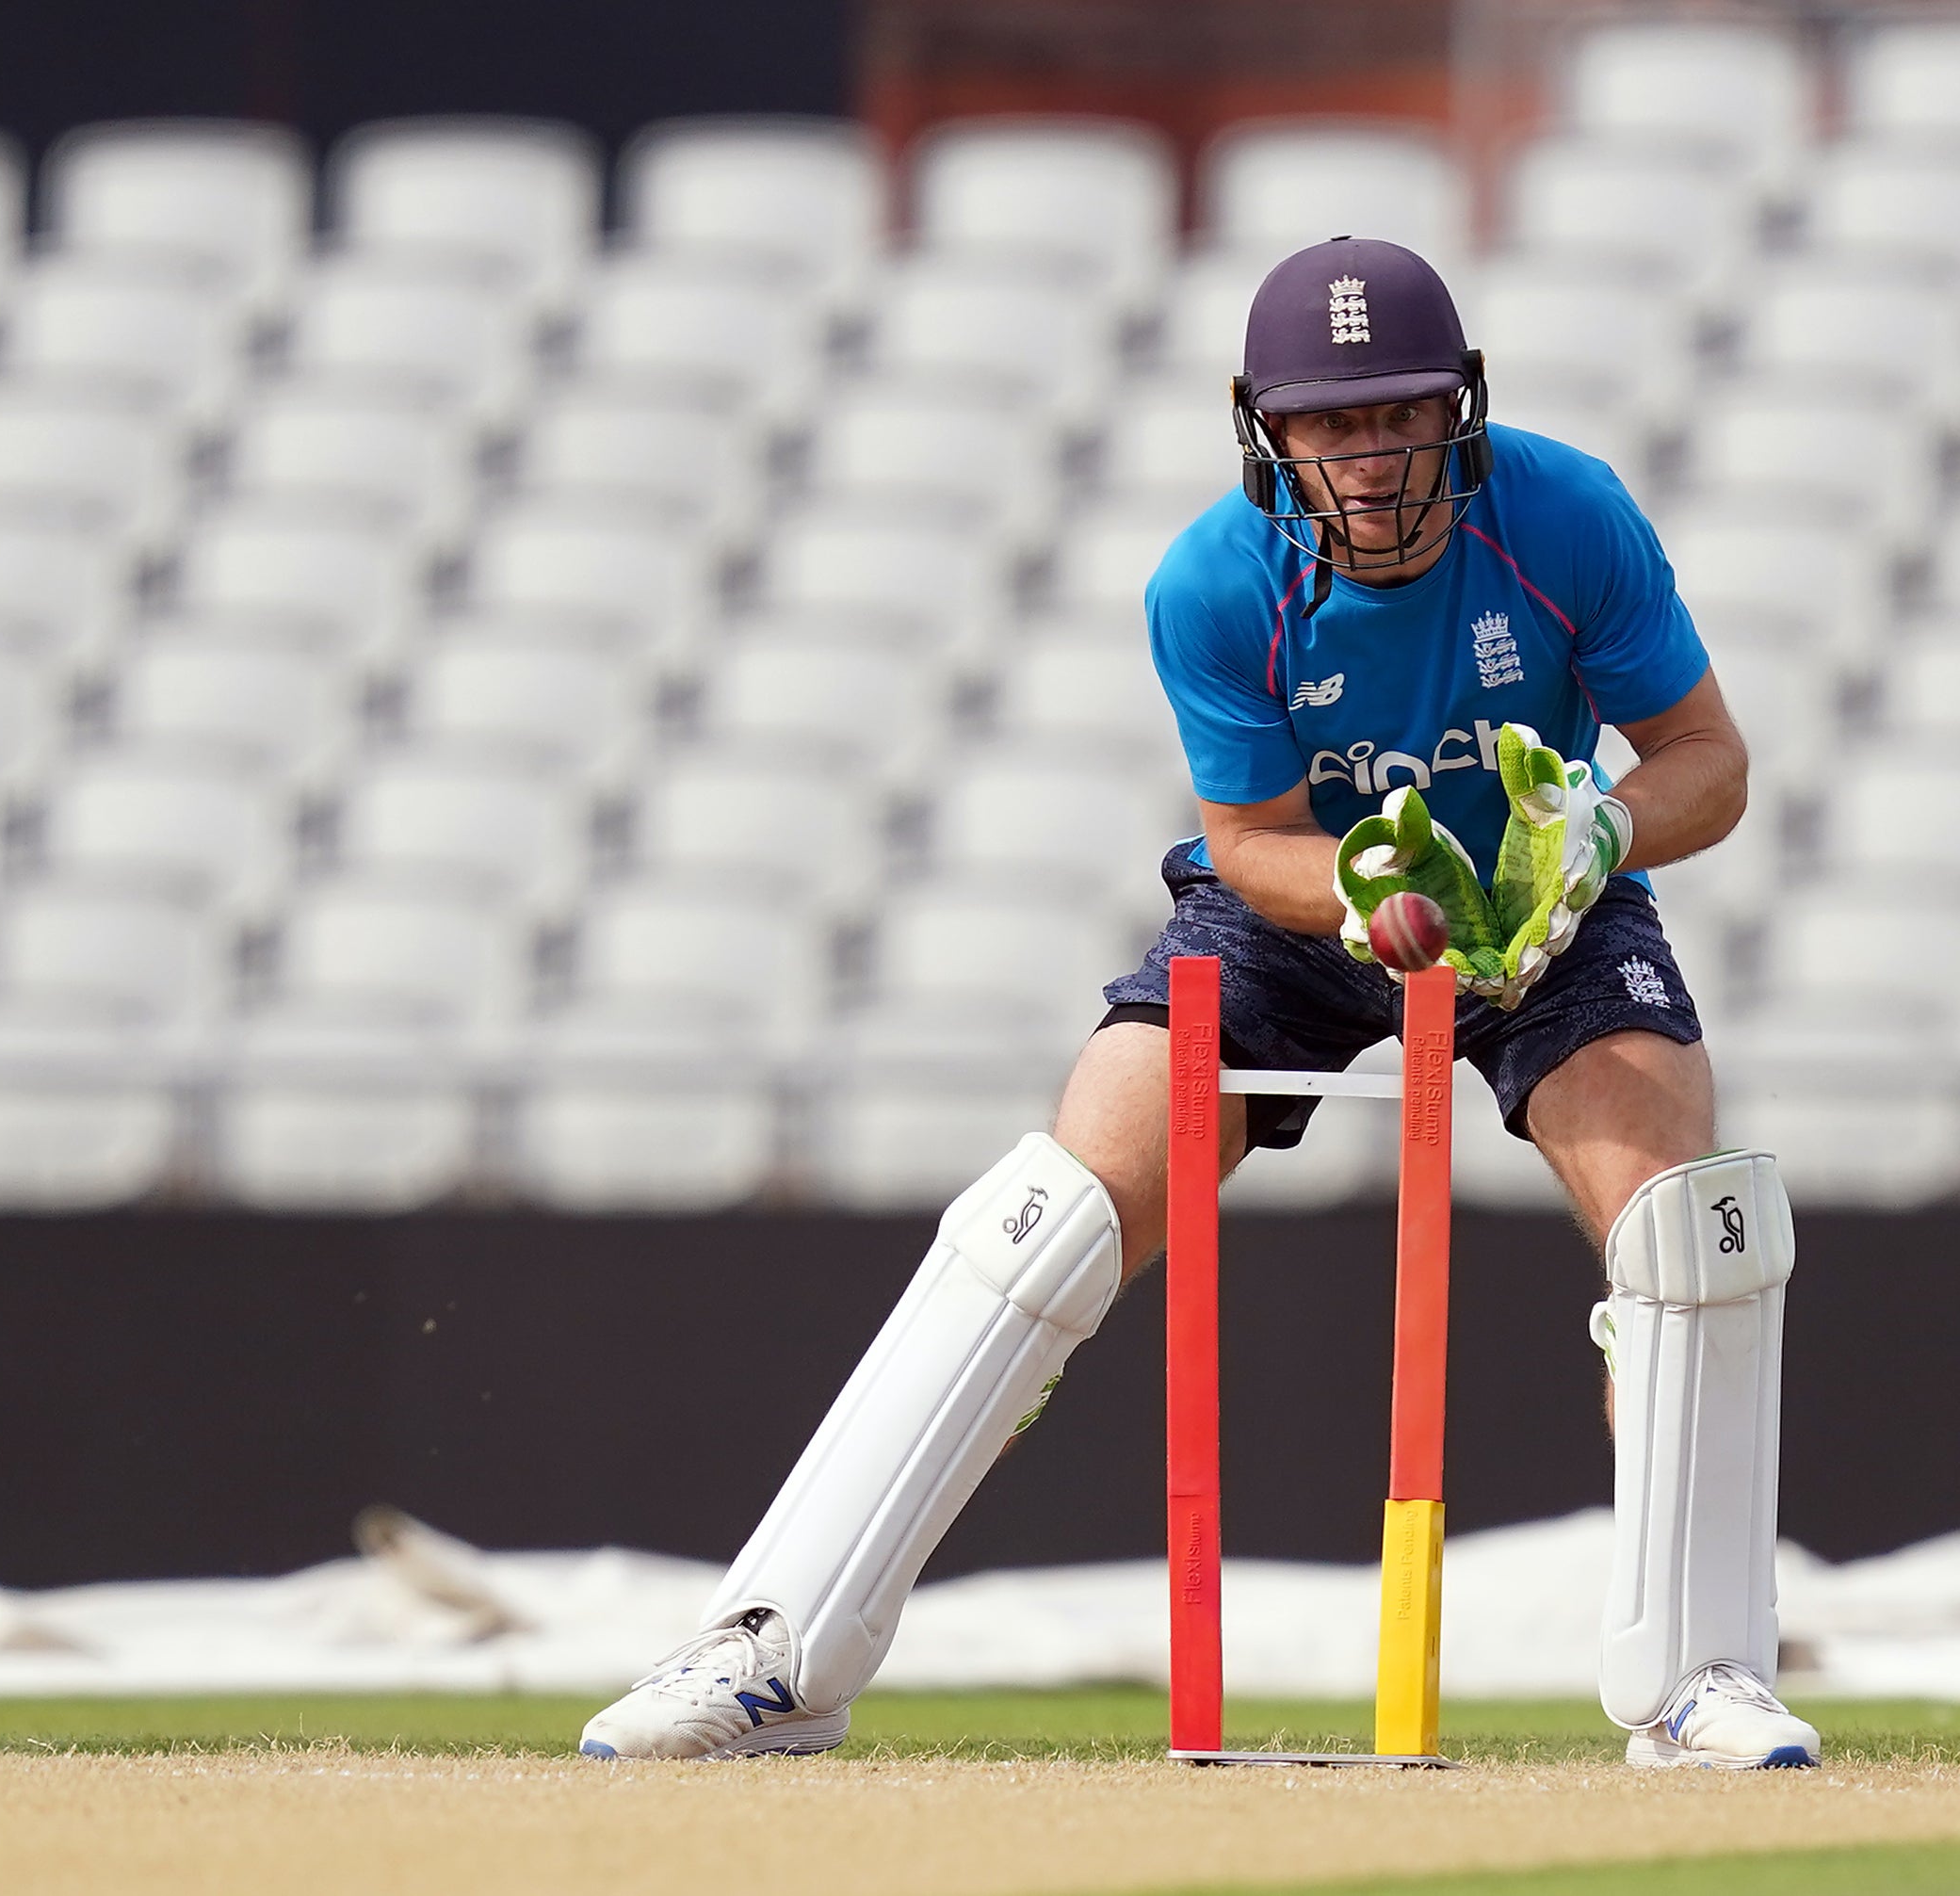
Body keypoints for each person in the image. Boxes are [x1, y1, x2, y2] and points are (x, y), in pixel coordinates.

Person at [579, 237, 1815, 1770]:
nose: (1372, 456)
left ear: (1459, 410)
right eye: (1332, 423)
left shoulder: (1564, 516)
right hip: (1306, 899)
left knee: (1681, 1218)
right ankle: (776, 1649)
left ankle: (1698, 1674)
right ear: (1267, 428)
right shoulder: (1214, 581)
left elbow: (1709, 757)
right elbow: (1246, 843)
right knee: (1053, 1209)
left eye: (1402, 416)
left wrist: (1604, 834)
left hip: (1538, 892)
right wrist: (1365, 898)